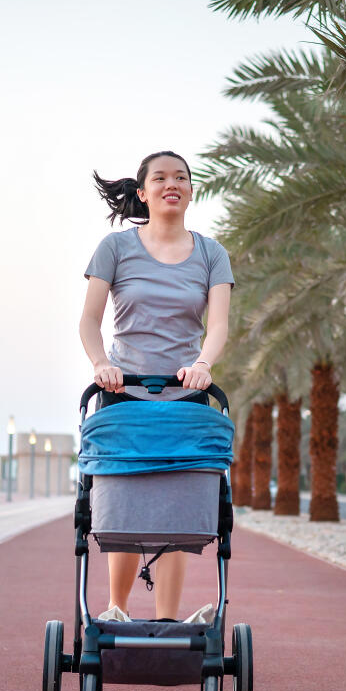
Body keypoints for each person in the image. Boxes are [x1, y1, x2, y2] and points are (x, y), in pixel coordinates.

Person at [79, 150, 233, 621]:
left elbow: (220, 326)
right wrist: (101, 362)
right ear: (142, 193)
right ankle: (114, 611)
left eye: (182, 177)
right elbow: (88, 320)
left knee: (175, 509)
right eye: (162, 177)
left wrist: (204, 364)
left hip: (184, 396)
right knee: (123, 504)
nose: (174, 183)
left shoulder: (211, 253)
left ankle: (167, 622)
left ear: (190, 190)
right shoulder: (115, 248)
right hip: (123, 394)